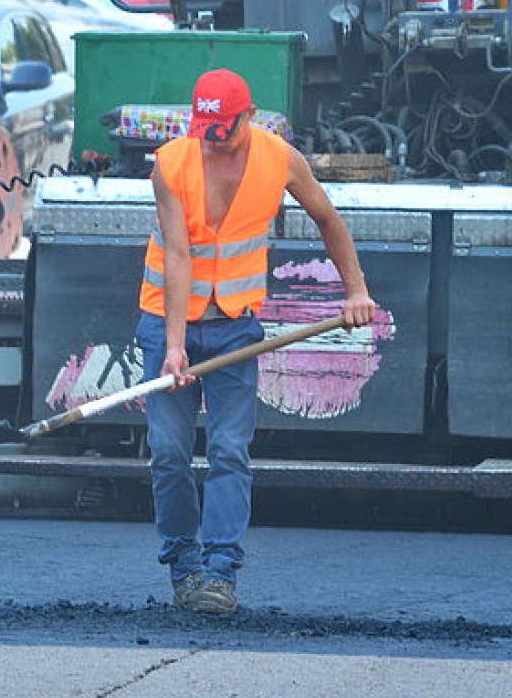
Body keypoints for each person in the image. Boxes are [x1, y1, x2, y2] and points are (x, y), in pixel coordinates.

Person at [138, 68, 375, 614]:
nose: (213, 137)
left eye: (224, 126)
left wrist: (356, 289)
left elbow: (327, 218)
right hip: (165, 321)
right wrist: (174, 346)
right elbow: (179, 255)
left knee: (227, 449)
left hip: (234, 327)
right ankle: (183, 569)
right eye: (207, 127)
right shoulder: (170, 164)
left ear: (248, 116)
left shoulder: (279, 157)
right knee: (171, 453)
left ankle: (220, 574)